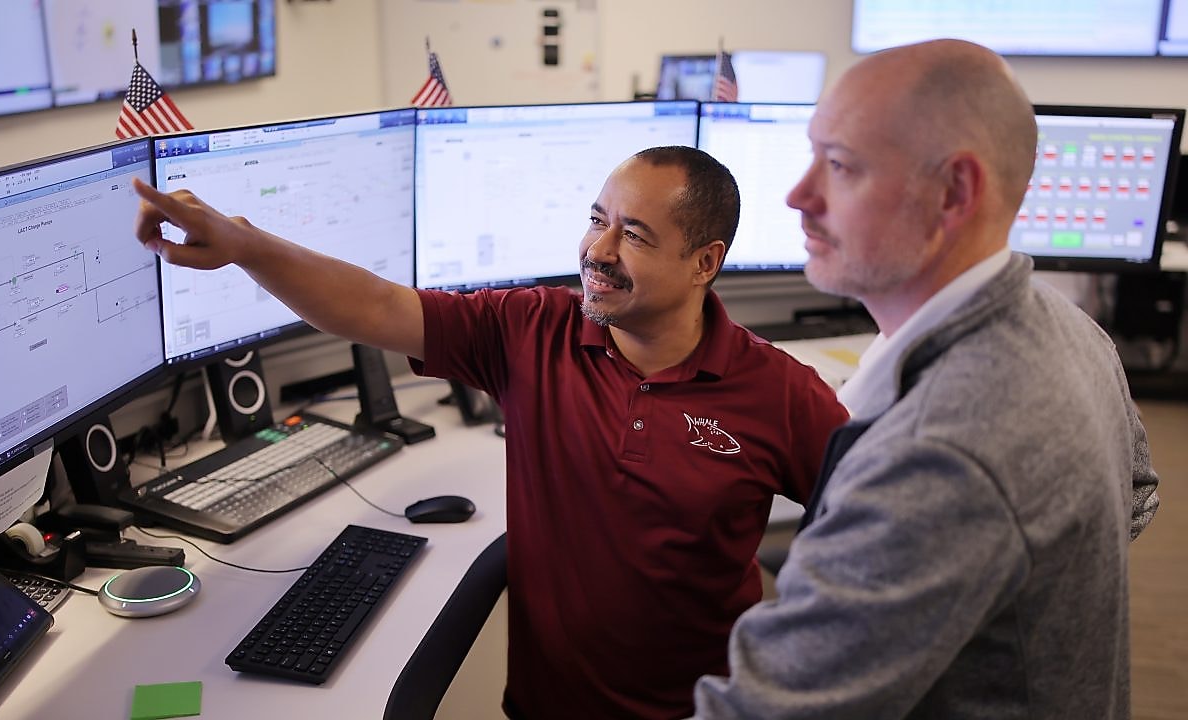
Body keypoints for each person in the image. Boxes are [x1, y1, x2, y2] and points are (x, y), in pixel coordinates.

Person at [132, 145, 849, 720]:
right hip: (544, 707)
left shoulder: (777, 393)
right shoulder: (532, 329)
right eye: (597, 218)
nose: (599, 250)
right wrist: (244, 245)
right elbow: (377, 308)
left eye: (633, 235)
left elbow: (876, 532)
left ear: (705, 262)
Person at [690, 39, 1161, 719]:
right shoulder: (1069, 326)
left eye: (841, 165)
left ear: (954, 192)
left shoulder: (941, 449)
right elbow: (1136, 496)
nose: (799, 194)